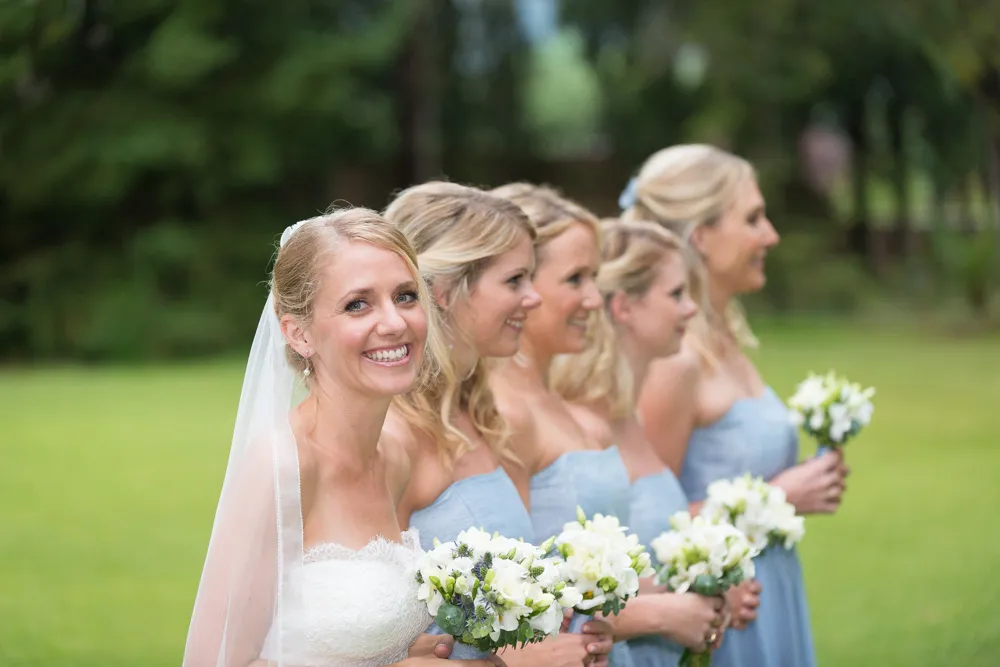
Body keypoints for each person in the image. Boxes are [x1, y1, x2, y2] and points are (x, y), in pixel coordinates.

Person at [182, 209, 502, 667]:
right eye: (358, 304)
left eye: (406, 296)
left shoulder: (392, 457)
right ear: (298, 333)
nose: (394, 323)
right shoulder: (282, 465)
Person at [623, 145, 849, 667]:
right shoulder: (673, 362)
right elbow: (646, 516)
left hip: (770, 585)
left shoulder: (727, 336)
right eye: (752, 218)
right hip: (724, 608)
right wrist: (776, 496)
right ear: (700, 236)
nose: (770, 234)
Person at [381, 182, 615, 667]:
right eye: (515, 281)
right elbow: (357, 635)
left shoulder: (479, 417)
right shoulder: (392, 436)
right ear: (444, 291)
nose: (533, 299)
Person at [548, 219, 739, 667]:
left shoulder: (628, 414)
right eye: (676, 294)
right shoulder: (576, 425)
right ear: (624, 307)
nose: (692, 310)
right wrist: (662, 615)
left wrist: (708, 581)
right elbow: (560, 597)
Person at [488, 184, 639, 667]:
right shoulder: (504, 416)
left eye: (594, 277)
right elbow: (502, 595)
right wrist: (658, 616)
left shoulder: (564, 404)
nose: (595, 299)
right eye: (576, 278)